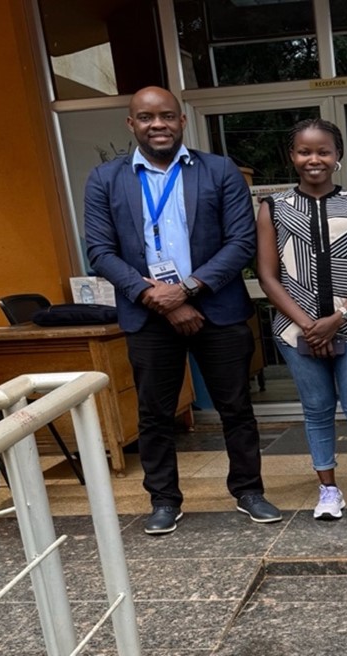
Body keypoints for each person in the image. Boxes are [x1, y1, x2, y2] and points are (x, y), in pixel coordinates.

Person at [84, 86, 282, 535]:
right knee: (155, 413)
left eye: (167, 116)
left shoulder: (220, 170)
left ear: (182, 121)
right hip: (148, 313)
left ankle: (249, 491)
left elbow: (241, 242)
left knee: (236, 408)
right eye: (147, 117)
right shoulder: (105, 179)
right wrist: (152, 295)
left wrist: (186, 290)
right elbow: (100, 250)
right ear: (131, 124)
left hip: (217, 309)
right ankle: (163, 500)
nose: (158, 124)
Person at [256, 118, 347, 526]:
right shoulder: (274, 207)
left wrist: (338, 317)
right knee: (316, 409)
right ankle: (328, 490)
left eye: (323, 151)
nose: (314, 159)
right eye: (304, 151)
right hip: (295, 330)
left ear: (337, 156)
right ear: (292, 156)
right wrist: (310, 325)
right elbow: (267, 276)